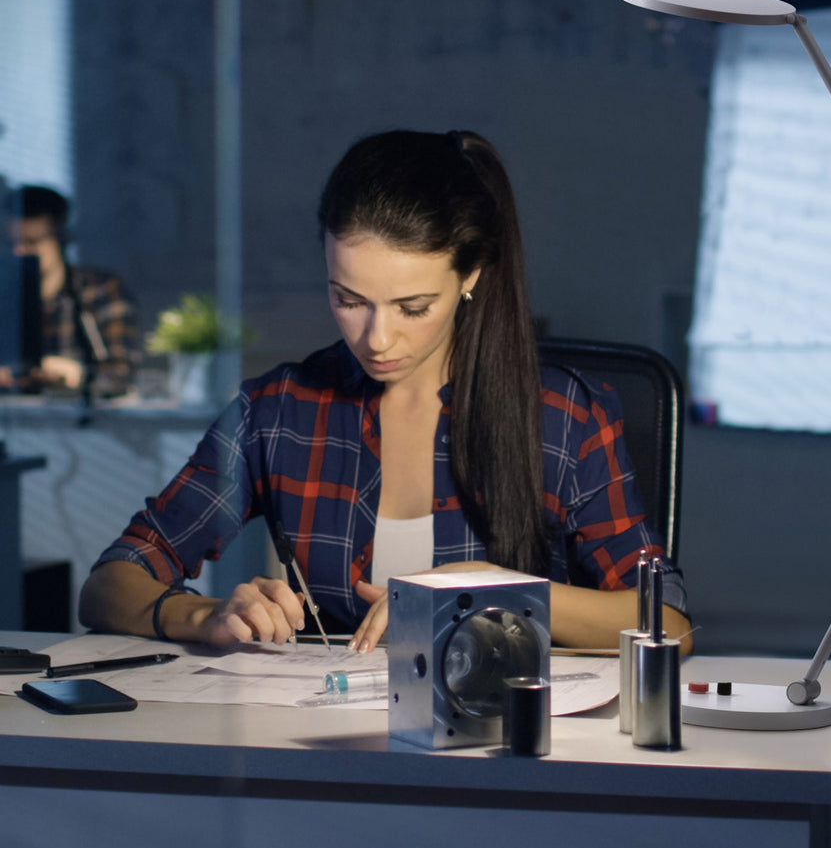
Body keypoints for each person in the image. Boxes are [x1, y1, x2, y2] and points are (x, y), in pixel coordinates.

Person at [79, 130, 690, 652]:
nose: (376, 338)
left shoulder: (562, 418)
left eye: (413, 306)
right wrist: (204, 615)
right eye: (348, 300)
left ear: (470, 276)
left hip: (508, 744)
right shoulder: (279, 412)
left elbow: (667, 624)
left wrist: (501, 593)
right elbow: (111, 582)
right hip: (331, 737)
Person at [5, 185, 142, 398]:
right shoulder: (6, 297)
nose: (19, 252)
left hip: (79, 427)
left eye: (32, 242)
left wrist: (75, 375)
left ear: (60, 238)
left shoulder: (99, 291)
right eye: (10, 243)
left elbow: (122, 376)